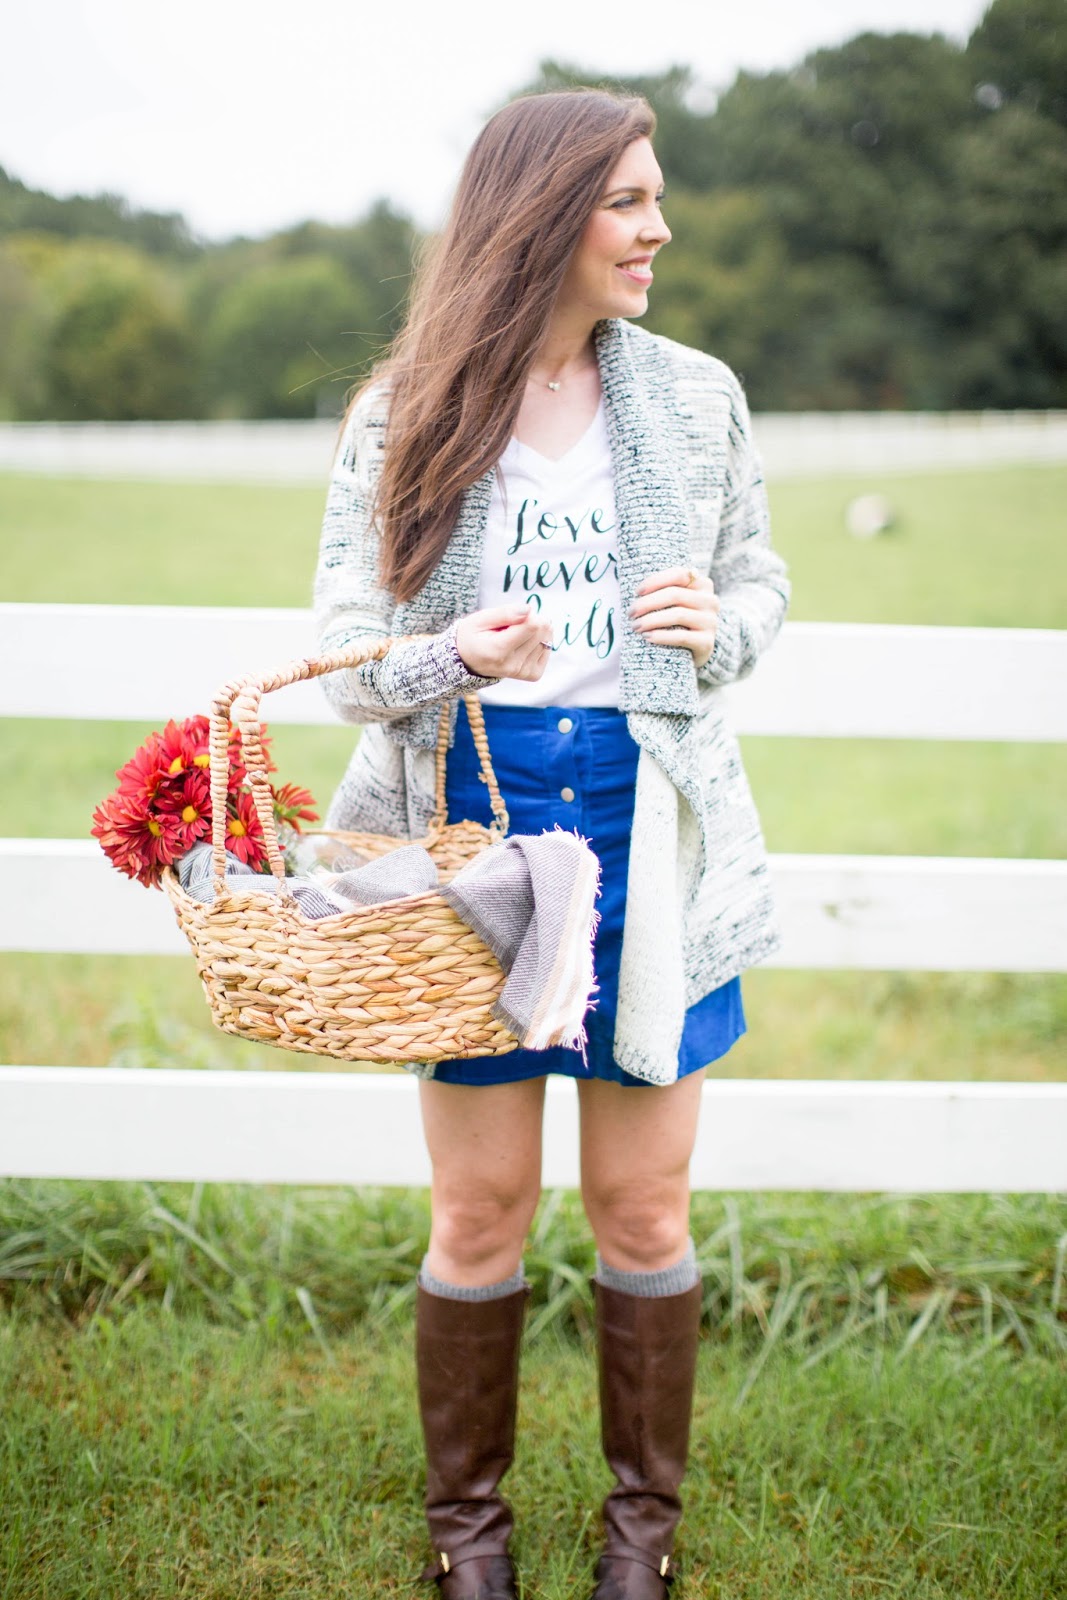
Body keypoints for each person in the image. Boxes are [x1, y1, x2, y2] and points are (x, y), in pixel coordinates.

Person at [313, 88, 789, 1600]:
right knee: (481, 1206)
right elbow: (340, 653)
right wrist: (450, 653)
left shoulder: (699, 395)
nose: (660, 227)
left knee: (644, 1204)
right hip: (474, 833)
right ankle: (472, 1538)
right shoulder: (408, 410)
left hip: (646, 826)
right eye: (631, 201)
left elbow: (762, 587)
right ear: (545, 217)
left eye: (658, 198)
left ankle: (640, 1538)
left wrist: (719, 628)